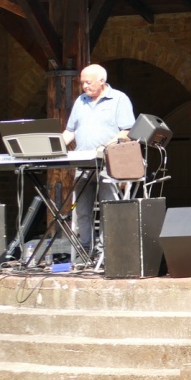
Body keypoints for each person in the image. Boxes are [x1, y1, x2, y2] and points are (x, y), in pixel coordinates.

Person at [61, 64, 136, 256]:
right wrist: (56, 146)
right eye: (82, 83)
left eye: (88, 82)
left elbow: (128, 131)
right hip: (83, 164)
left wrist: (107, 145)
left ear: (102, 80)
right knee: (82, 210)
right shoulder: (80, 101)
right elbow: (70, 131)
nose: (84, 86)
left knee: (107, 208)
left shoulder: (119, 99)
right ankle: (85, 251)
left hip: (108, 162)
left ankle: (105, 252)